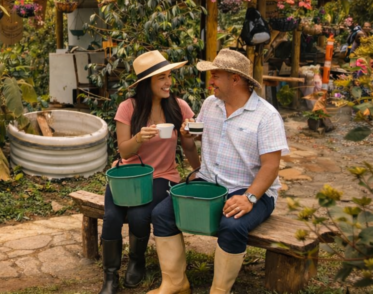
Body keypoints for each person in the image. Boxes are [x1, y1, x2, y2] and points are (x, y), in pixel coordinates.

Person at [149, 49, 289, 294]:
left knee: (232, 226)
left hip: (251, 189)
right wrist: (188, 136)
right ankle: (175, 282)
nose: (210, 81)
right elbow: (198, 136)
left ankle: (219, 290)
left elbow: (271, 166)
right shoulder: (210, 104)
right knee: (162, 214)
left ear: (235, 79)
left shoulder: (266, 116)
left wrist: (249, 198)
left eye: (215, 75)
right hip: (210, 182)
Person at [98, 51, 201, 294]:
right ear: (146, 84)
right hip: (129, 174)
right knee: (112, 216)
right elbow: (123, 152)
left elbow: (188, 146)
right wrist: (138, 138)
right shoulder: (128, 108)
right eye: (161, 78)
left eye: (169, 76)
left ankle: (136, 261)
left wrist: (197, 168)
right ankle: (110, 277)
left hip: (163, 175)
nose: (168, 83)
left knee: (139, 215)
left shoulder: (179, 107)